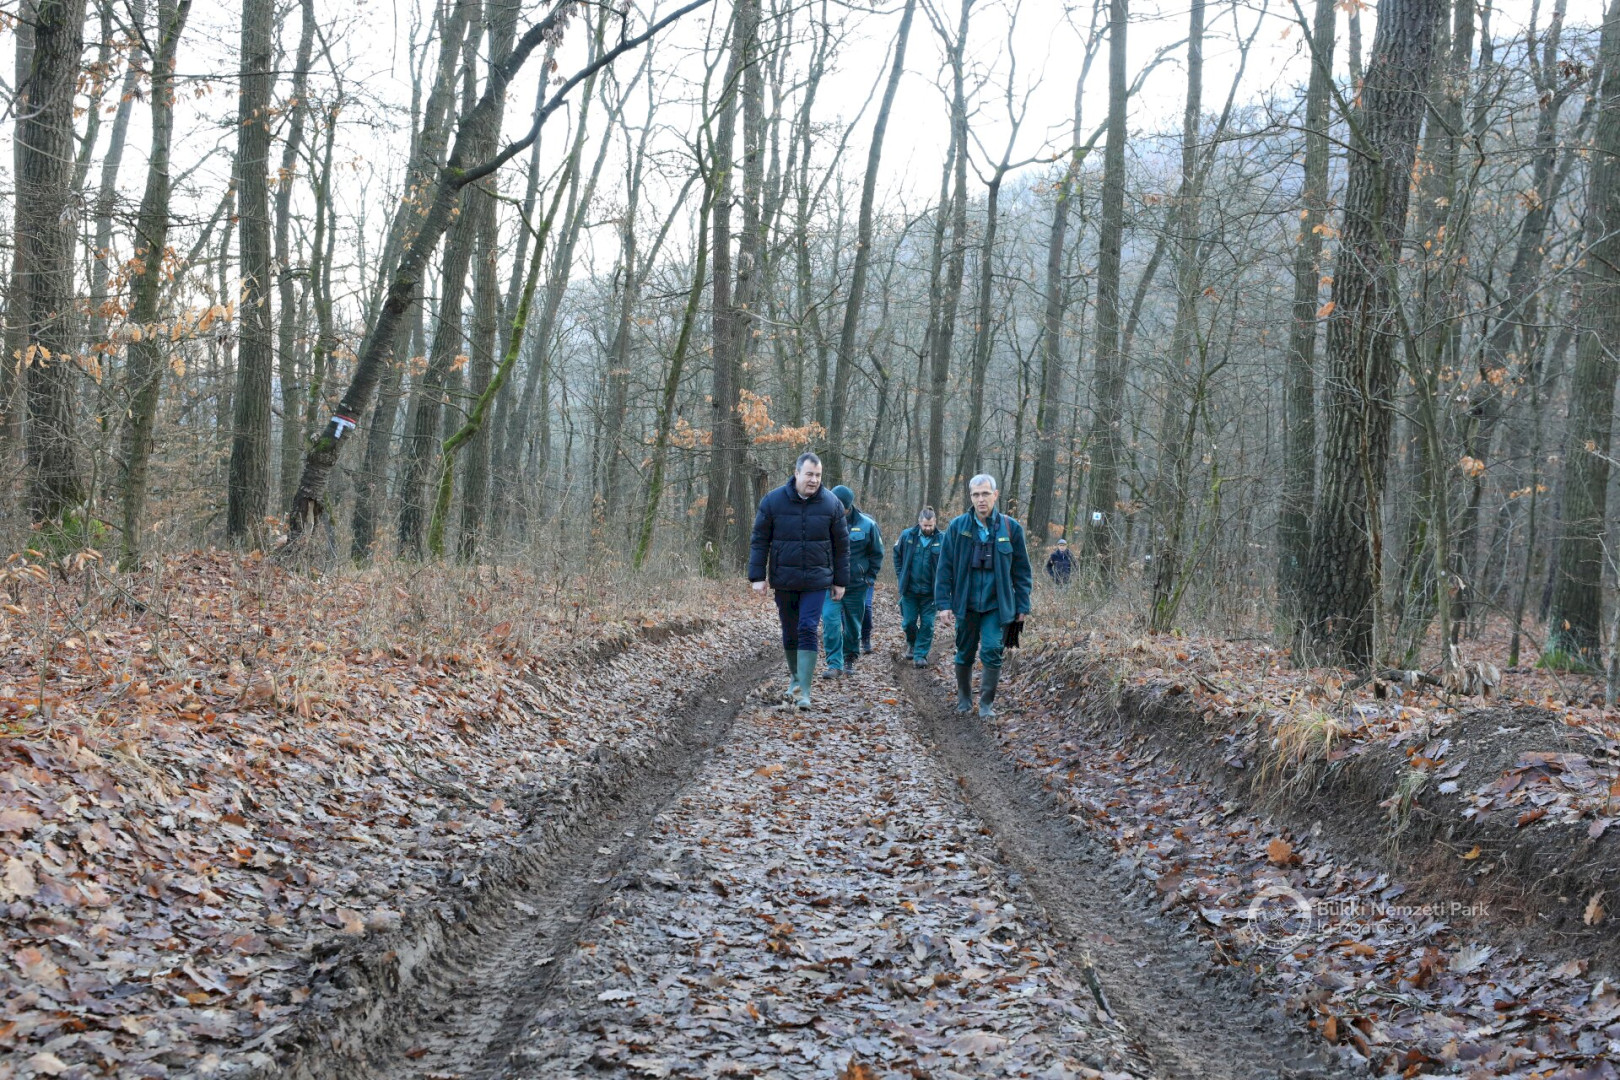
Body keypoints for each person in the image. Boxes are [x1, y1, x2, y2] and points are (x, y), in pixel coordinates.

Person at [748, 453, 850, 709]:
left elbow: (842, 546)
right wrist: (757, 576)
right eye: (809, 474)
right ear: (796, 473)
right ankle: (794, 680)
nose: (814, 480)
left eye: (818, 475)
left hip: (817, 580)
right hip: (785, 579)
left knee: (807, 627)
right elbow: (760, 540)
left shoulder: (832, 504)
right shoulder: (772, 501)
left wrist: (840, 580)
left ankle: (803, 690)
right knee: (790, 629)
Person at [935, 474, 1032, 718]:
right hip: (965, 604)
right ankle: (964, 700)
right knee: (965, 652)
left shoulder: (1011, 528)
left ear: (995, 495)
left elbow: (1022, 571)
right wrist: (944, 604)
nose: (981, 499)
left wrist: (1023, 605)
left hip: (996, 605)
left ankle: (986, 705)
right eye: (976, 494)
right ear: (970, 497)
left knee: (991, 649)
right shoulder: (957, 527)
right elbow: (944, 567)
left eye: (985, 494)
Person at [822, 485, 883, 676]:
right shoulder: (823, 523)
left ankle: (849, 658)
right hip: (830, 585)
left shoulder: (867, 525)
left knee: (853, 627)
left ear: (847, 506)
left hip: (857, 585)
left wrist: (869, 578)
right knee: (830, 623)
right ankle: (834, 664)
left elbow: (877, 553)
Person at [892, 507, 943, 667]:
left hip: (930, 593)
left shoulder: (942, 539)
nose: (928, 528)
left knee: (927, 624)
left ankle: (920, 655)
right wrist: (901, 575)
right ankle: (912, 644)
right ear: (919, 522)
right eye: (925, 525)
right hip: (910, 590)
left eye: (930, 525)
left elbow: (949, 563)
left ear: (935, 522)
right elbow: (896, 554)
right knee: (909, 622)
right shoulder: (907, 536)